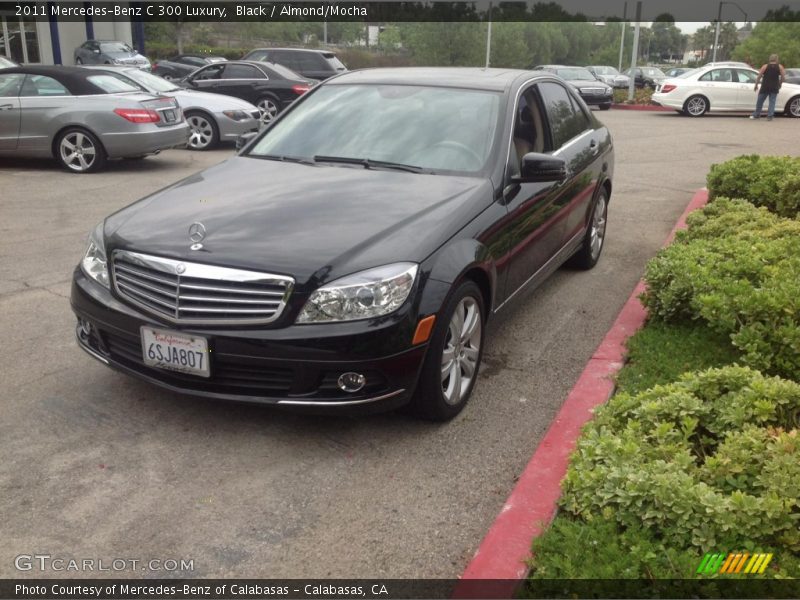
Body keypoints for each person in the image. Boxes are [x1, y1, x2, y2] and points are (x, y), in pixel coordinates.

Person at [751, 54, 786, 120]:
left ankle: (757, 114)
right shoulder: (780, 67)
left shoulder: (765, 66)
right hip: (774, 86)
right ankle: (770, 116)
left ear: (770, 59)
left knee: (760, 101)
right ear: (777, 59)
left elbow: (759, 76)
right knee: (772, 102)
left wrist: (756, 85)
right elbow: (783, 77)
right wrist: (780, 83)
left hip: (765, 86)